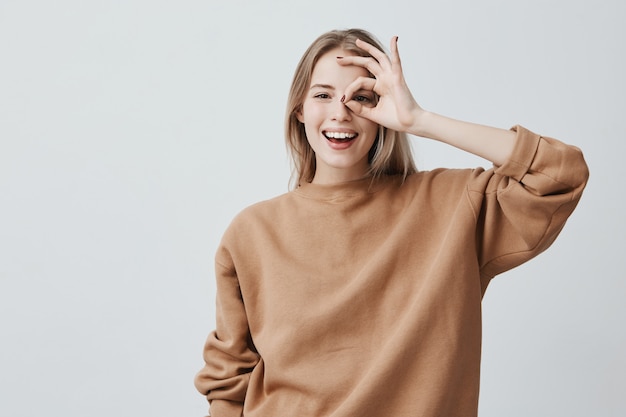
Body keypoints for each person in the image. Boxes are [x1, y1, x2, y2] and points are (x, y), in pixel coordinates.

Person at [194, 28, 589, 417]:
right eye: (323, 95)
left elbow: (560, 173)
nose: (340, 112)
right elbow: (229, 382)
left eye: (361, 97)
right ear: (299, 108)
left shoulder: (452, 205)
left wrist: (419, 120)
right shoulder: (251, 232)